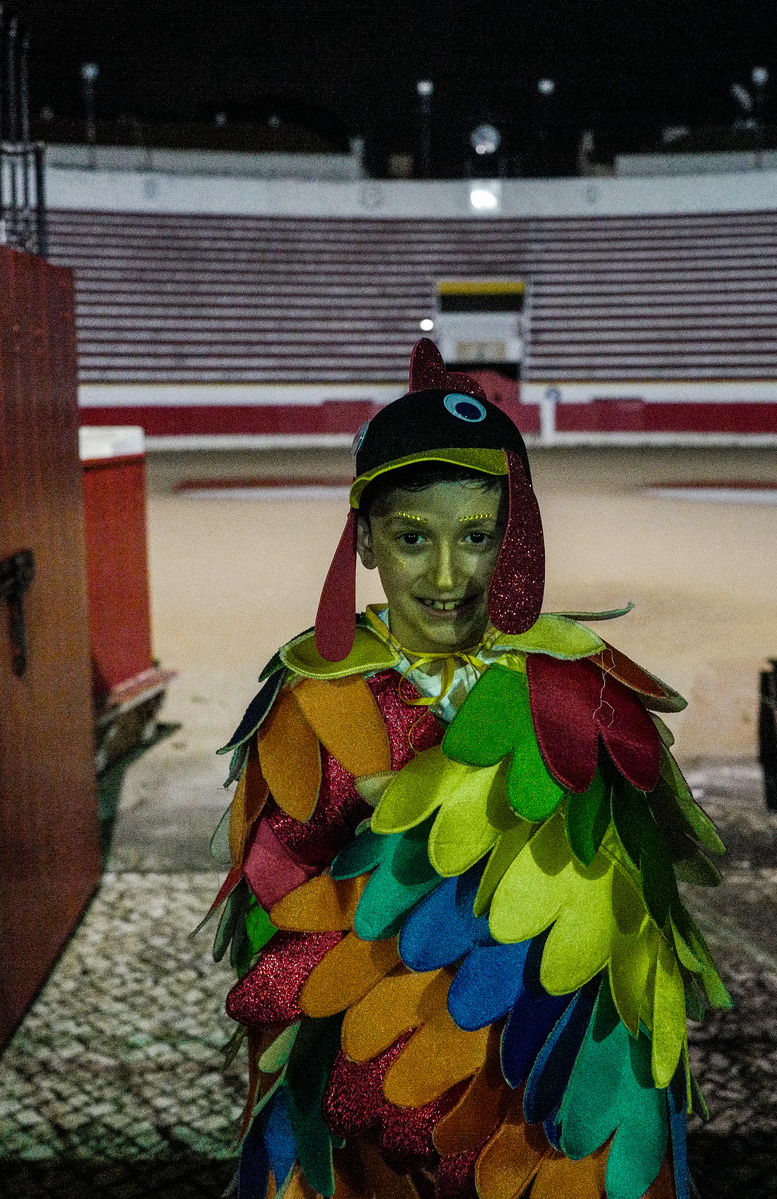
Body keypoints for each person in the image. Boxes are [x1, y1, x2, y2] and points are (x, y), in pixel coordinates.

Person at [208, 340, 729, 1199]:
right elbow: (278, 903)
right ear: (365, 540)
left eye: (479, 537)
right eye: (412, 537)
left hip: (541, 1108)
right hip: (367, 1098)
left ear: (517, 543)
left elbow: (634, 925)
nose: (447, 575)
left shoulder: (583, 687)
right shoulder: (312, 699)